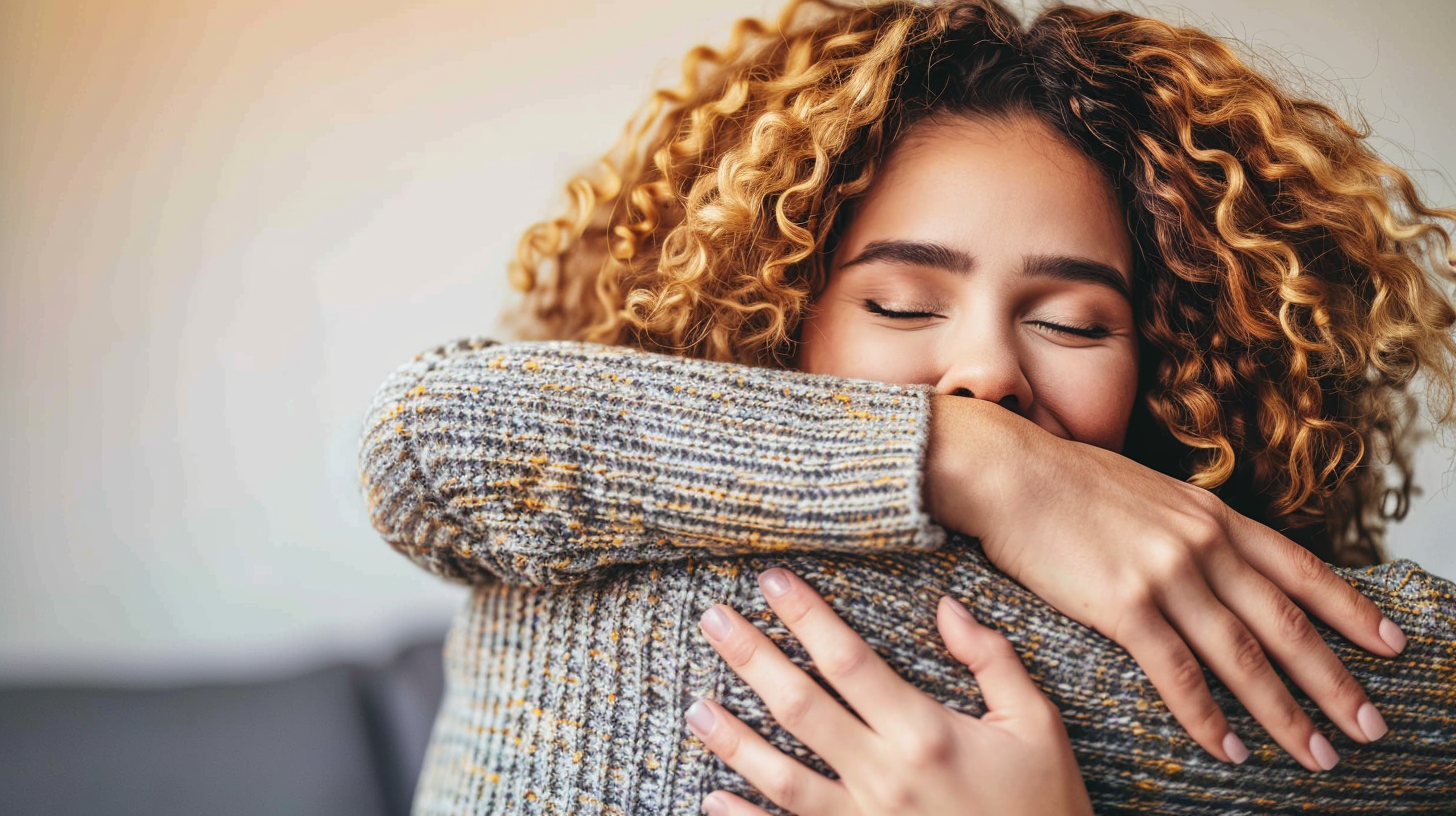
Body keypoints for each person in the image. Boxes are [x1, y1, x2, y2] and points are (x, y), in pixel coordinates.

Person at [358, 0, 1456, 813]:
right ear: (774, 312)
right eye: (897, 301)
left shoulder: (1278, 676)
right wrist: (977, 460)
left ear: (1172, 369)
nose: (986, 373)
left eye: (1073, 322)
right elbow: (432, 436)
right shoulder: (616, 566)